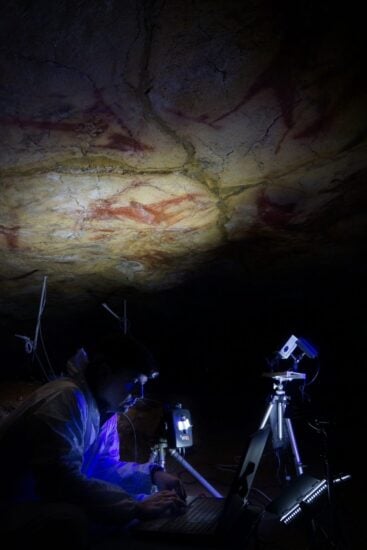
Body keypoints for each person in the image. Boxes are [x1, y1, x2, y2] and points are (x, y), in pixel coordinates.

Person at [0, 331, 186, 548]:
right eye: (133, 382)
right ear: (105, 372)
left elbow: (102, 466)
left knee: (138, 502)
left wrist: (154, 475)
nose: (139, 394)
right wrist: (134, 506)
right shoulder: (65, 399)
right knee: (69, 519)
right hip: (10, 508)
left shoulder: (103, 409)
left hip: (35, 503)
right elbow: (62, 482)